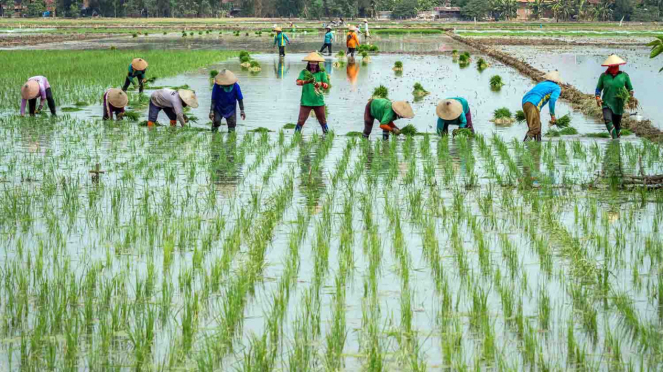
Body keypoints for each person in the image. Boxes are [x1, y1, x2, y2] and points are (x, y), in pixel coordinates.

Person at [595, 54, 634, 139]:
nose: (613, 68)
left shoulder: (624, 76)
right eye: (612, 66)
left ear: (618, 66)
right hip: (606, 103)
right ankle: (615, 140)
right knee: (607, 120)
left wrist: (629, 100)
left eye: (615, 66)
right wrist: (598, 98)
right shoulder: (604, 76)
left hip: (618, 105)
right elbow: (598, 89)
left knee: (617, 125)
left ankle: (617, 144)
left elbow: (630, 90)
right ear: (609, 67)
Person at [521, 70, 562, 142]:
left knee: (537, 127)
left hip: (525, 102)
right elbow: (552, 100)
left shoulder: (541, 84)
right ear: (557, 81)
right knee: (535, 128)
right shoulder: (556, 87)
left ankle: (538, 145)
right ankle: (524, 145)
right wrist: (552, 116)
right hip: (533, 104)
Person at [295, 52, 330, 134]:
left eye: (315, 63)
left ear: (318, 63)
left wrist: (320, 84)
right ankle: (296, 137)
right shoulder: (304, 72)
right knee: (301, 120)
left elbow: (326, 85)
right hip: (306, 101)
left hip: (318, 101)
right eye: (311, 63)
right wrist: (307, 81)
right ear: (308, 63)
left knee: (323, 121)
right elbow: (297, 82)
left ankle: (327, 137)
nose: (313, 65)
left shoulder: (322, 73)